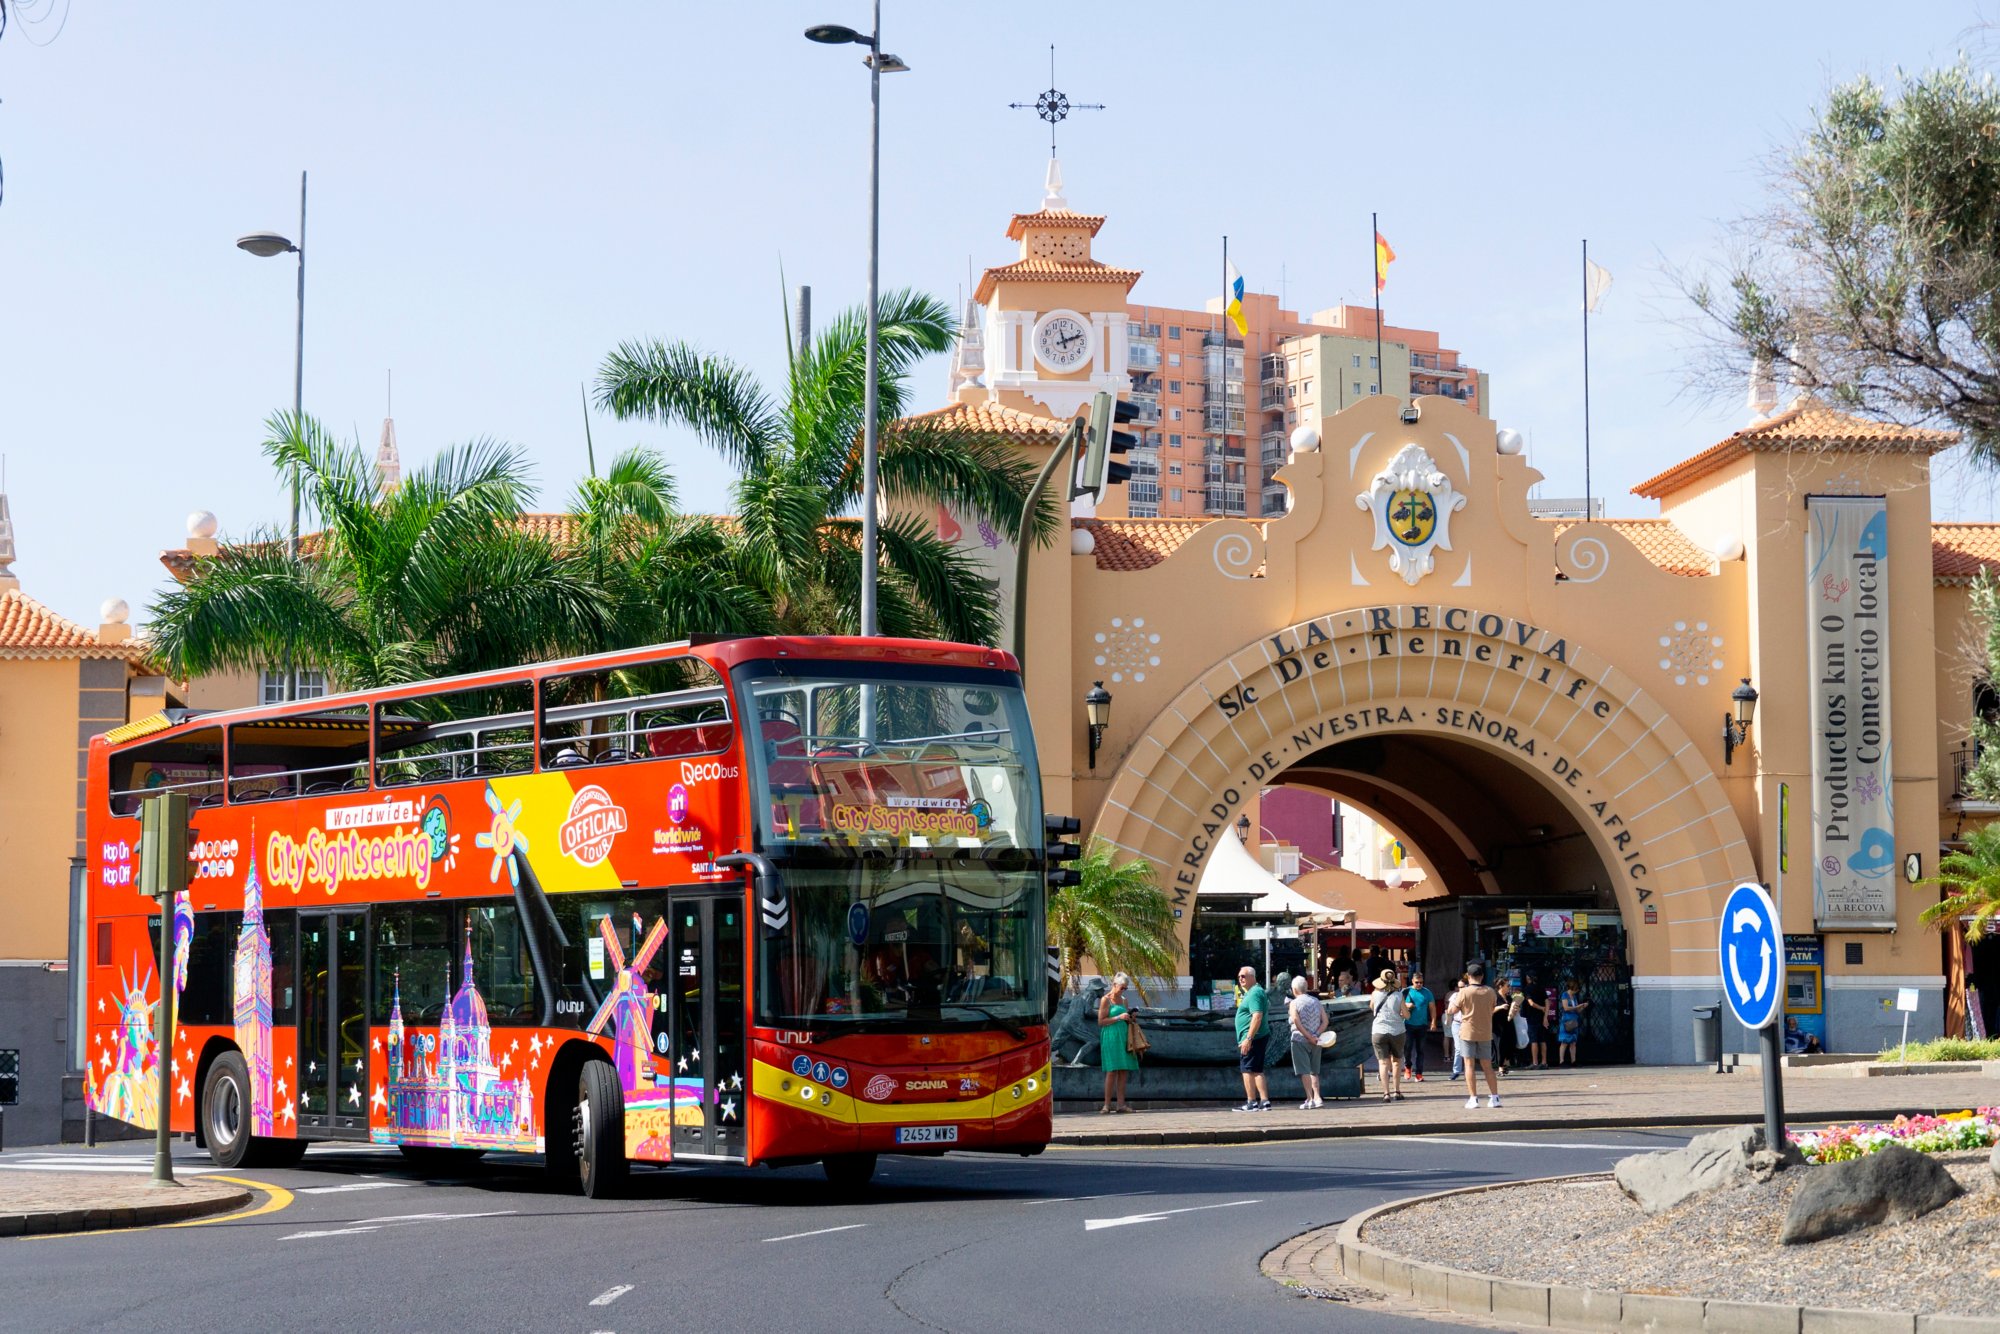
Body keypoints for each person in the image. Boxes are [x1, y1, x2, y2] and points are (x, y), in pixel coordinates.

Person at [1445, 962, 1503, 1109]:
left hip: (1468, 1031)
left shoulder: (1463, 992)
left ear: (1469, 977)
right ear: (1482, 976)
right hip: (1485, 1032)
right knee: (1487, 1066)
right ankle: (1495, 1097)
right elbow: (1491, 1008)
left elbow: (1452, 1010)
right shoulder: (1490, 991)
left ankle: (1473, 1098)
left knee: (1469, 1065)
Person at [1097, 973, 1139, 1114]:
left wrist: (1131, 1017)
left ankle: (1121, 1104)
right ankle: (1107, 1105)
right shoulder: (1105, 1000)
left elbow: (1127, 1020)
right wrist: (1118, 1017)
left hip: (1123, 1036)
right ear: (1114, 985)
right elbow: (1101, 1021)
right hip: (1110, 1036)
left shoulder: (1124, 1000)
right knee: (1112, 1070)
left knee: (1123, 1070)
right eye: (1122, 988)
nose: (1123, 991)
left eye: (1125, 989)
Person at [1233, 965, 1271, 1111]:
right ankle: (1264, 1101)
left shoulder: (1254, 993)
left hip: (1253, 1038)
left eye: (1243, 976)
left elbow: (1257, 1016)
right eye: (1239, 977)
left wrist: (1248, 1038)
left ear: (1252, 977)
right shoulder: (1254, 992)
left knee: (1247, 1069)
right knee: (1256, 1070)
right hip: (1256, 1037)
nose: (1240, 979)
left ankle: (1251, 1102)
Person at [1367, 969, 1409, 1102]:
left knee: (1383, 1063)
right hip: (1397, 1031)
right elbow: (1407, 1015)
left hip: (1379, 1031)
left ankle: (1386, 1094)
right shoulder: (1398, 995)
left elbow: (1372, 1008)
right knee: (1396, 1061)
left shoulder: (1375, 994)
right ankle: (1397, 1091)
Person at [1287, 975, 1328, 1109]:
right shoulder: (1316, 1001)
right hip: (1317, 1040)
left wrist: (1308, 1036)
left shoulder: (1294, 1003)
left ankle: (1309, 1099)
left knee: (1304, 1070)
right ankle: (1318, 1097)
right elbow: (1325, 1021)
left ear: (1294, 989)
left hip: (1299, 1039)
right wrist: (1315, 1035)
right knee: (1314, 1070)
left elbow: (1296, 1021)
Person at [1402, 969, 1435, 1082]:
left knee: (1420, 1050)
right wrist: (1407, 1005)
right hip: (1408, 1024)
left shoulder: (1427, 992)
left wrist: (1434, 1021)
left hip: (1422, 1025)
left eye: (1421, 982)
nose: (1419, 984)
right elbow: (1398, 1005)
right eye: (1417, 982)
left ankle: (1419, 1073)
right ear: (1412, 981)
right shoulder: (1406, 991)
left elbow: (1432, 1008)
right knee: (1407, 1048)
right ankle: (1408, 1066)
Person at [1522, 973, 1551, 1069]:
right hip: (1541, 1017)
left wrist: (1540, 1008)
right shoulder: (1541, 988)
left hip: (1532, 1017)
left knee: (1533, 1040)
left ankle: (1535, 1062)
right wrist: (1545, 1016)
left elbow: (1531, 1003)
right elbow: (1547, 1002)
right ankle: (1544, 1062)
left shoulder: (1527, 989)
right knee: (1542, 1040)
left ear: (1528, 978)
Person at [1557, 977, 1588, 1066]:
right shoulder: (1565, 995)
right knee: (1564, 1042)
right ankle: (1561, 1061)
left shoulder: (1574, 997)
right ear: (1572, 988)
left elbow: (1577, 1010)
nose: (1576, 992)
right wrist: (1578, 1006)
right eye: (1575, 990)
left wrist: (1582, 1007)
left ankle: (1573, 1061)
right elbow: (1566, 1008)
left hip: (1574, 1020)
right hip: (1567, 1020)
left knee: (1573, 1042)